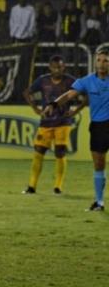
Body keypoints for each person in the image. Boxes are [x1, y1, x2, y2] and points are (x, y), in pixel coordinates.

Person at [42, 50, 109, 211]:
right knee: (99, 164)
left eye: (106, 60)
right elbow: (69, 95)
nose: (101, 63)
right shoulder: (87, 81)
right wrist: (54, 104)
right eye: (99, 60)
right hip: (99, 126)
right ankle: (99, 202)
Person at [21, 55, 82, 195]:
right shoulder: (43, 80)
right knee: (38, 152)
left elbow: (85, 95)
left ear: (64, 67)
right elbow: (27, 92)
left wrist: (76, 110)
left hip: (63, 122)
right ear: (50, 67)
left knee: (60, 152)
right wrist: (35, 108)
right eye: (54, 67)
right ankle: (32, 186)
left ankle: (58, 187)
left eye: (60, 67)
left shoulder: (70, 81)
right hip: (46, 122)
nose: (57, 70)